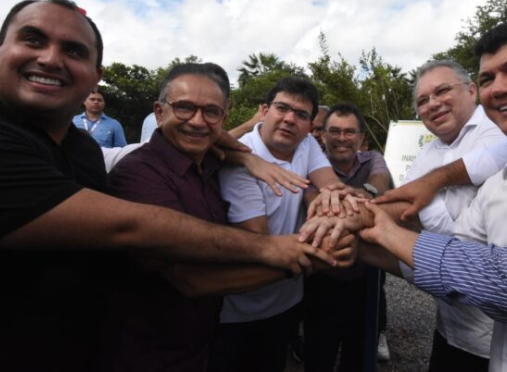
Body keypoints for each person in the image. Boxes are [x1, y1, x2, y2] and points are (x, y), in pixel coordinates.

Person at [0, 0, 335, 371]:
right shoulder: (138, 171)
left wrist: (244, 156)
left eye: (73, 50)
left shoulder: (85, 151)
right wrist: (289, 254)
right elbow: (151, 241)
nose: (50, 59)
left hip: (163, 347)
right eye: (33, 40)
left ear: (95, 75)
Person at [306, 19, 507, 372]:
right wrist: (360, 238)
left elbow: (506, 274)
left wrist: (397, 209)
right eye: (489, 78)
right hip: (461, 338)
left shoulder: (495, 144)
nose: (500, 88)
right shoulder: (500, 181)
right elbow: (454, 258)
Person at [97, 63, 356, 371]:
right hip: (152, 349)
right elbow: (190, 279)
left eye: (211, 112)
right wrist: (309, 257)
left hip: (205, 336)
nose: (197, 121)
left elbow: (327, 186)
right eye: (184, 108)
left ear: (223, 117)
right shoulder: (141, 173)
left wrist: (317, 195)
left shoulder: (211, 163)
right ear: (159, 112)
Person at [210, 77, 354, 372]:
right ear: (264, 111)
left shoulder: (305, 145)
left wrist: (326, 199)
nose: (290, 119)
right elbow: (260, 243)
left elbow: (331, 186)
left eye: (301, 114)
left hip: (286, 300)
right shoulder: (243, 160)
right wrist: (321, 246)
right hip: (238, 309)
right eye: (282, 108)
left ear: (310, 126)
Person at [387, 60, 507, 371]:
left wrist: (429, 186)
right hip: (449, 327)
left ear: (472, 91)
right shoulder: (427, 152)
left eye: (442, 90)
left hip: (498, 338)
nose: (432, 104)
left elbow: (451, 230)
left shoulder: (500, 128)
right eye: (423, 100)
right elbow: (404, 207)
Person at [359, 204, 507, 341]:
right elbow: (475, 263)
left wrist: (379, 227)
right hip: (456, 335)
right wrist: (373, 241)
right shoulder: (495, 181)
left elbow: (494, 274)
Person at [303, 103, 393, 371]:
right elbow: (313, 201)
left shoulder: (373, 158)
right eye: (334, 131)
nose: (342, 138)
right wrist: (362, 203)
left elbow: (378, 184)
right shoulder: (310, 163)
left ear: (361, 137)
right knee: (319, 351)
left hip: (367, 276)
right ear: (322, 135)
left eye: (350, 131)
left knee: (360, 352)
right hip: (321, 274)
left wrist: (362, 193)